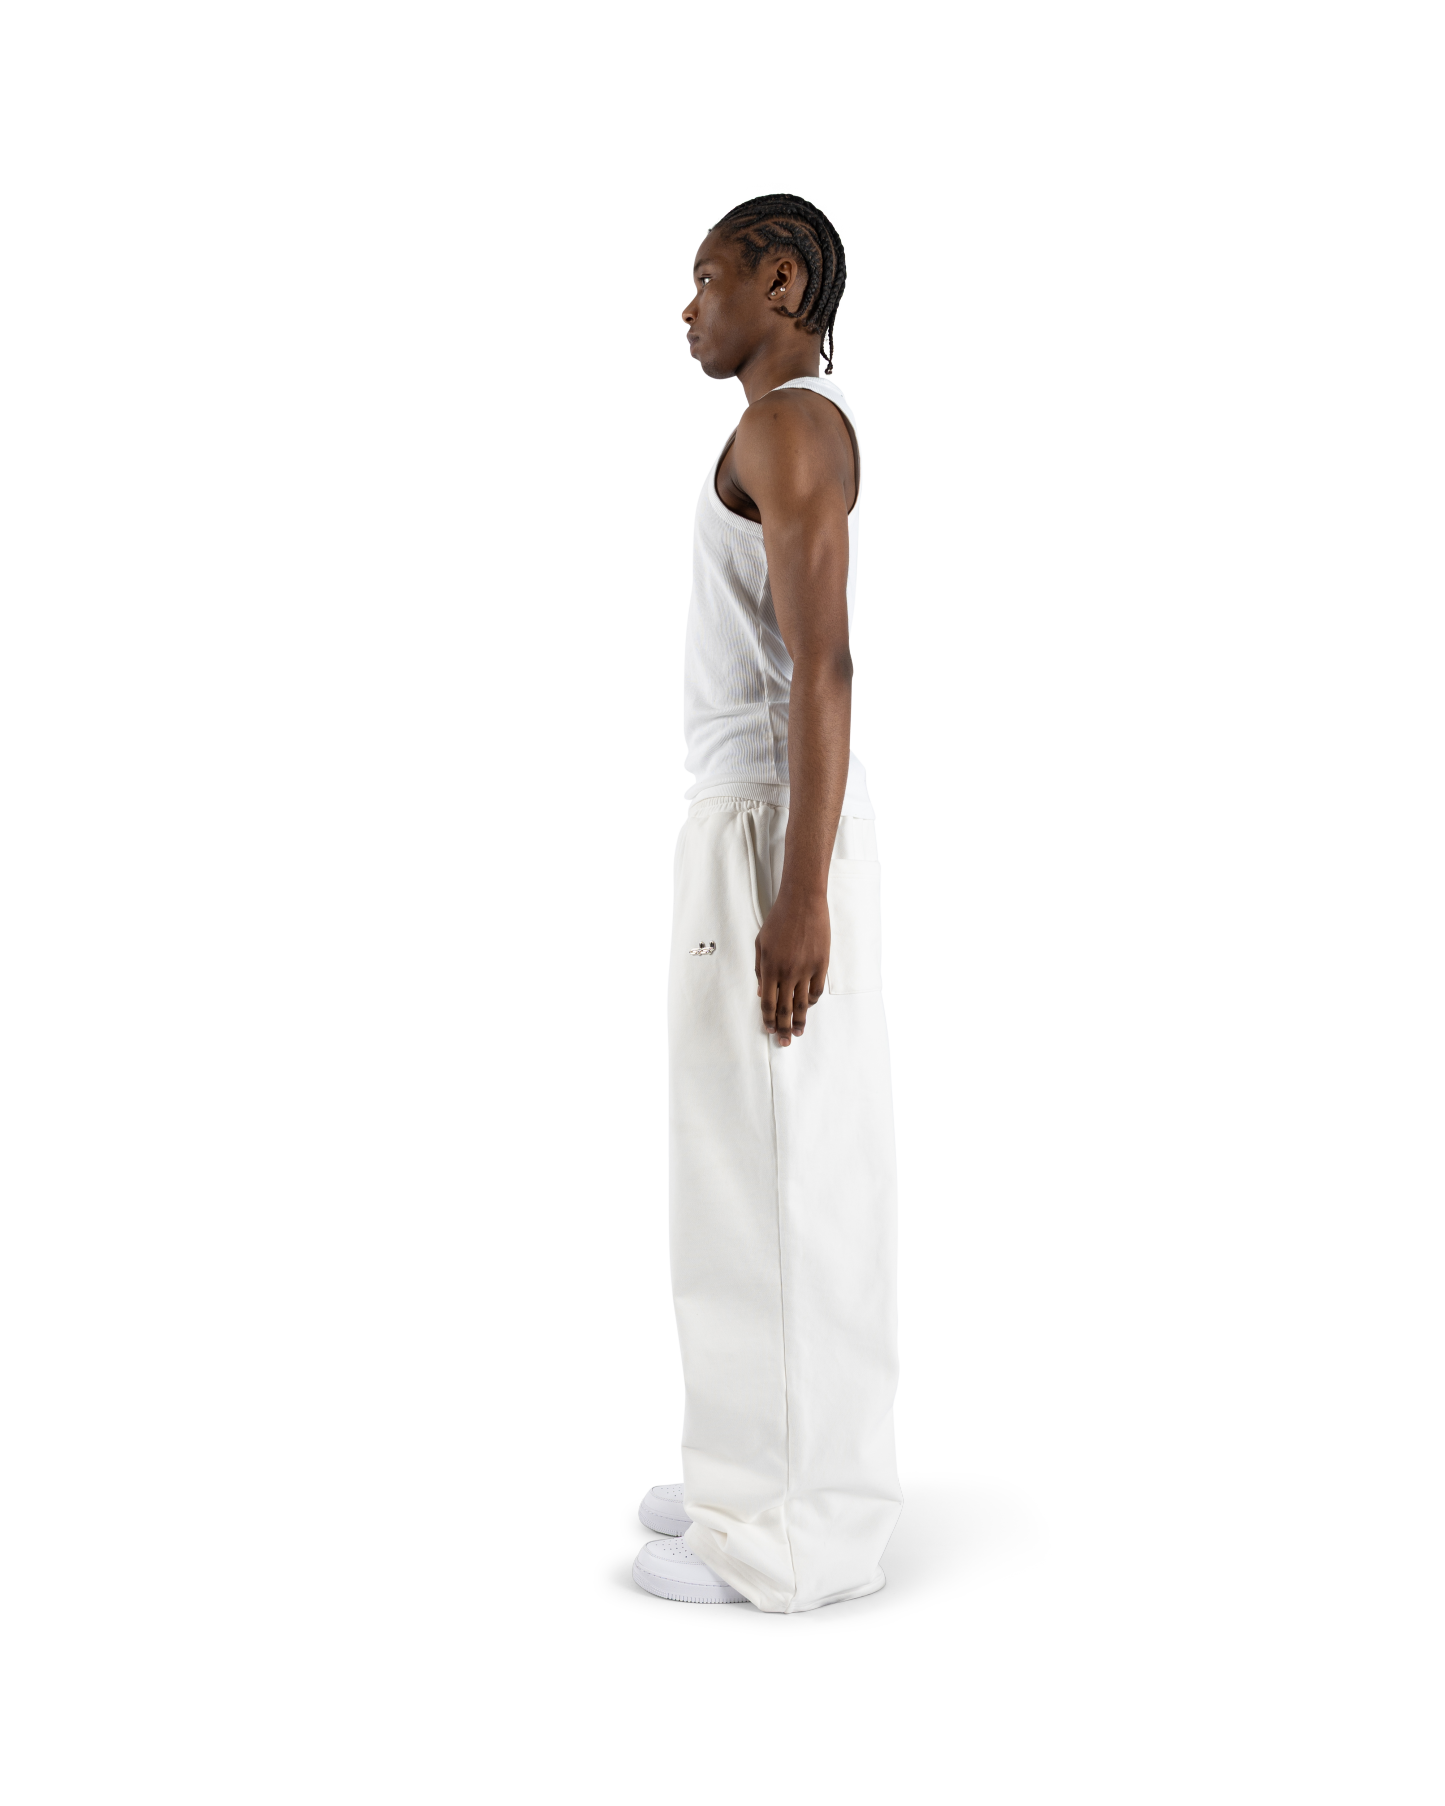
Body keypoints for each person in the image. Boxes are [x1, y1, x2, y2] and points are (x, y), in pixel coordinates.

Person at [630, 187, 903, 1613]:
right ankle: (748, 1462)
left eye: (709, 278)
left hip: (765, 830)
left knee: (776, 1165)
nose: (689, 308)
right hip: (744, 819)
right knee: (738, 1155)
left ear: (780, 283)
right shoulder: (774, 430)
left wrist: (799, 891)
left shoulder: (789, 426)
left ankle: (789, 1537)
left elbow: (825, 665)